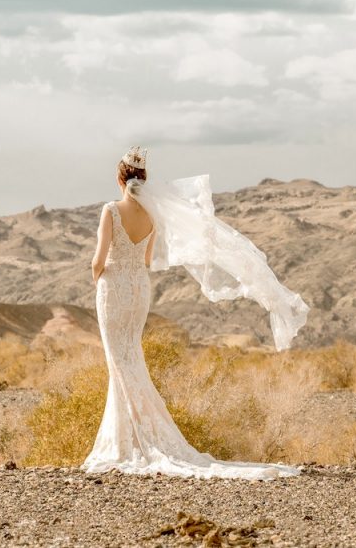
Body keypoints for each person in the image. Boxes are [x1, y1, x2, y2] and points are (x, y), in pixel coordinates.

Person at [81, 145, 309, 480]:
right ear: (143, 179)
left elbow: (98, 259)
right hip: (140, 290)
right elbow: (146, 261)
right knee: (130, 357)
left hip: (113, 289)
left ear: (120, 179)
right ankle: (127, 441)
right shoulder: (152, 214)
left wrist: (97, 278)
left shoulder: (111, 210)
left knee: (119, 360)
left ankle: (128, 444)